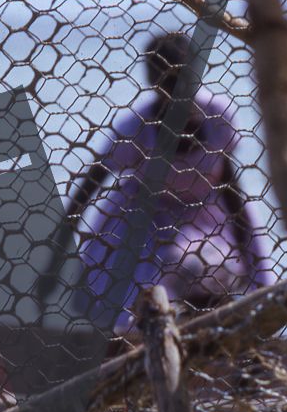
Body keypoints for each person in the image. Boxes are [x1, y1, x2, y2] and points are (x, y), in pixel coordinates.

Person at [48, 31, 273, 333]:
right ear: (155, 85)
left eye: (187, 80)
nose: (181, 92)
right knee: (141, 301)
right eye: (171, 83)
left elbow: (231, 187)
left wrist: (250, 253)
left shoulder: (218, 117)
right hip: (144, 222)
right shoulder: (137, 129)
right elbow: (89, 187)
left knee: (217, 273)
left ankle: (209, 339)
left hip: (205, 219)